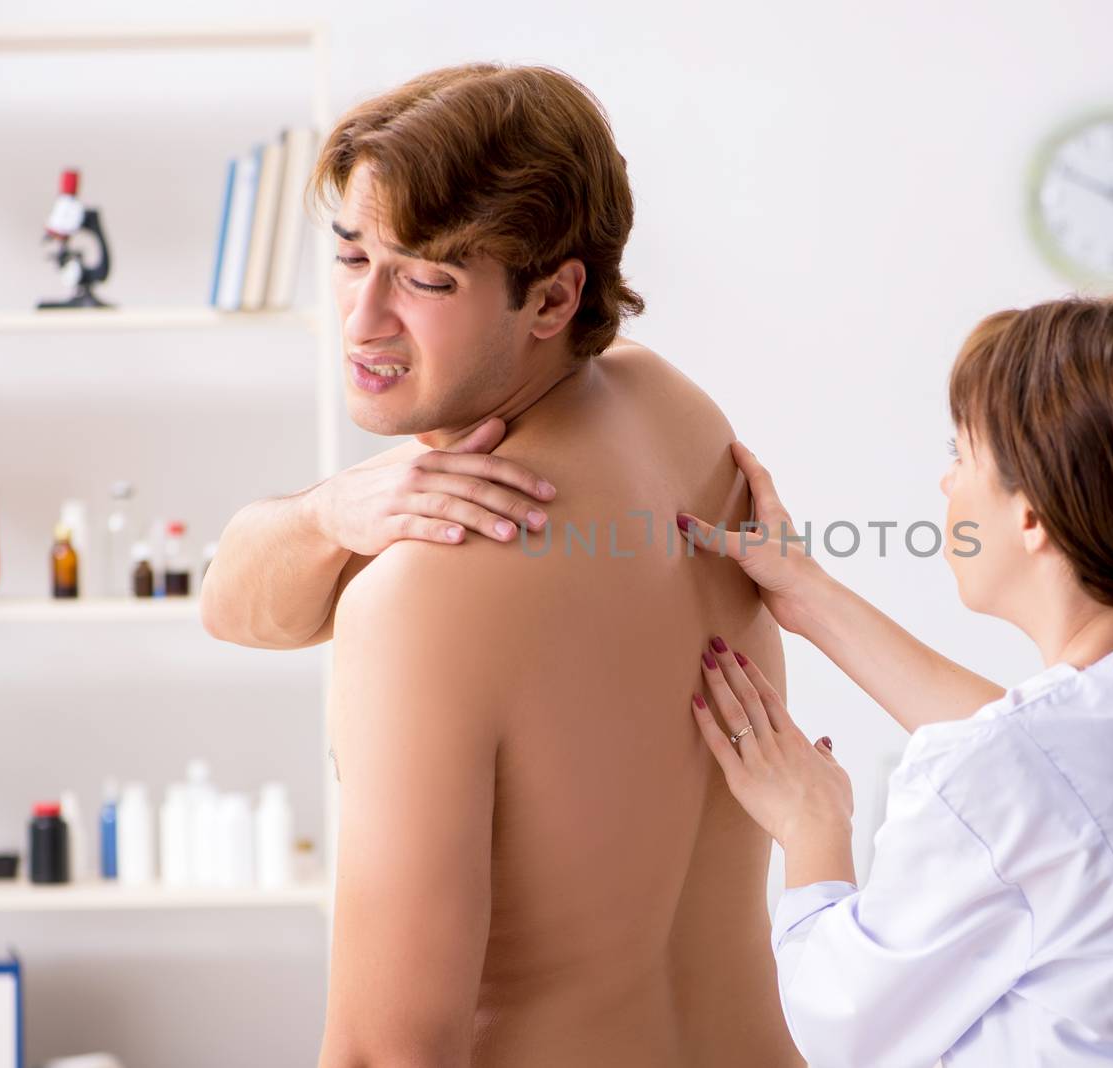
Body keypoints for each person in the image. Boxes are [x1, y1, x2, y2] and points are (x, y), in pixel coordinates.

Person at [200, 64, 802, 1066]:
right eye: (353, 258)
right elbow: (233, 604)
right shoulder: (676, 416)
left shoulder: (427, 588)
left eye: (428, 279)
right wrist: (329, 511)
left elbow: (386, 1051)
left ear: (553, 296)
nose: (362, 320)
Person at [678, 294, 1113, 1067]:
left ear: (1032, 516)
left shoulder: (1011, 776)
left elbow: (838, 1028)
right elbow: (1064, 779)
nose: (946, 485)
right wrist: (808, 596)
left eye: (960, 454)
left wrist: (813, 824)